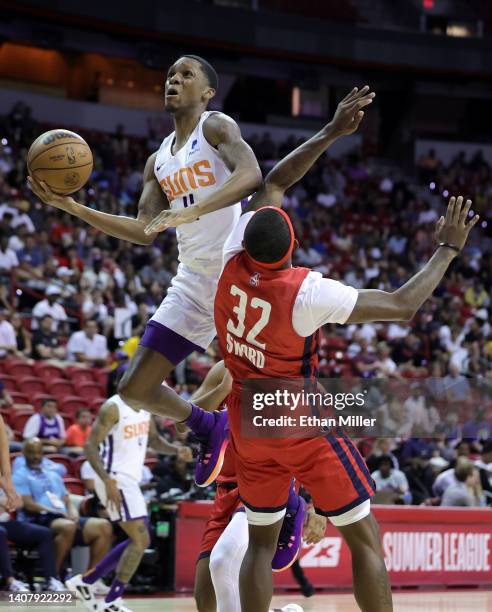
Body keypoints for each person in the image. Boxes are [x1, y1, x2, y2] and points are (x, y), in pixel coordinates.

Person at [213, 101, 479, 611]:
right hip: (294, 415)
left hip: (246, 417)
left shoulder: (228, 260)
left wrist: (331, 131)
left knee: (260, 543)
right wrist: (446, 249)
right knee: (363, 537)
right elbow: (403, 305)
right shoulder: (307, 291)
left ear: (247, 242)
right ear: (292, 246)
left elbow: (272, 184)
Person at [28, 54, 262, 430]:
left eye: (186, 75)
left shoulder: (215, 127)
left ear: (207, 92)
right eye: (170, 74)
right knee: (134, 388)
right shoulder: (157, 160)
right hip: (193, 280)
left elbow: (251, 175)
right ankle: (207, 426)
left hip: (238, 272)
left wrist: (190, 211)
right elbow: (144, 231)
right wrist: (73, 207)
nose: (174, 80)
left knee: (248, 372)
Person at [66, 382, 193, 612]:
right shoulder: (113, 408)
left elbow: (153, 441)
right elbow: (90, 446)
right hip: (114, 478)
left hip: (130, 482)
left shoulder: (145, 406)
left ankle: (87, 583)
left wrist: (176, 450)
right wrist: (106, 481)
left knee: (141, 539)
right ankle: (107, 596)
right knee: (140, 540)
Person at [13, 438, 112, 577]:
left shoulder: (52, 473)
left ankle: (91, 579)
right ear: (24, 453)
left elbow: (66, 498)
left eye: (38, 453)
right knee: (68, 526)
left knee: (103, 526)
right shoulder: (20, 475)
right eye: (31, 453)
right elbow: (28, 504)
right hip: (38, 519)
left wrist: (73, 512)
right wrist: (57, 513)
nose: (35, 456)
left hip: (64, 518)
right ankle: (54, 577)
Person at [0, 487, 65, 592]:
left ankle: (51, 580)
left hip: (5, 520)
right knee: (0, 532)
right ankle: (10, 581)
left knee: (44, 533)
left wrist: (8, 502)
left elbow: (19, 503)